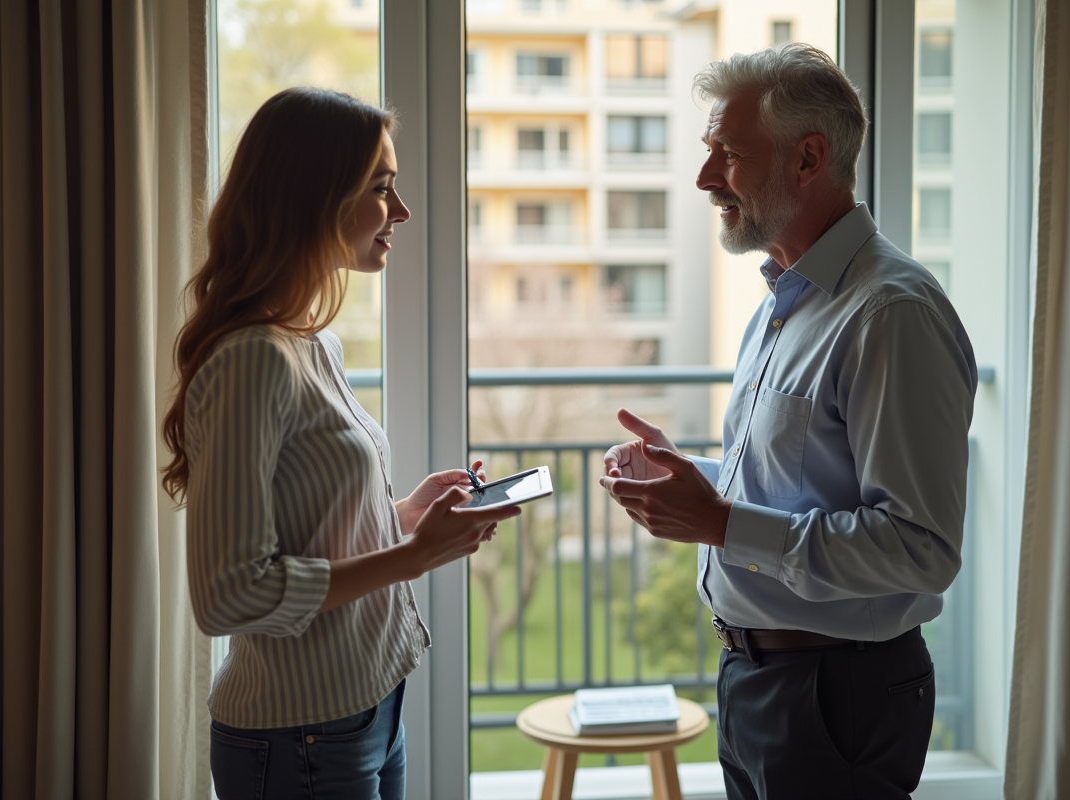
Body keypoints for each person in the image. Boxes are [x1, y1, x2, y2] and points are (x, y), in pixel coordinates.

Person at [599, 44, 977, 800]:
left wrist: (720, 524)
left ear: (810, 159)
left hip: (836, 693)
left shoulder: (889, 314)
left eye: (728, 154)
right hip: (761, 680)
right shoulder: (788, 299)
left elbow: (920, 549)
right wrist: (693, 482)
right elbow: (799, 482)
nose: (706, 179)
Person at [160, 87, 520, 800]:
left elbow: (305, 520)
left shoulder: (308, 343)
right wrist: (411, 557)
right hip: (300, 738)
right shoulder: (253, 358)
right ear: (314, 198)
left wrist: (407, 513)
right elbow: (228, 594)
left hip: (368, 712)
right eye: (382, 189)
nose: (403, 211)